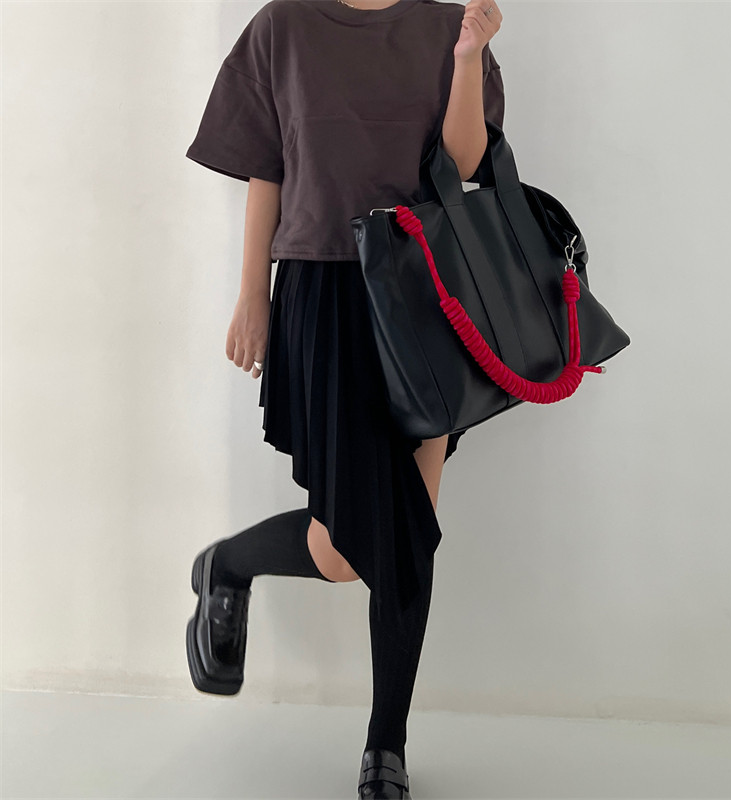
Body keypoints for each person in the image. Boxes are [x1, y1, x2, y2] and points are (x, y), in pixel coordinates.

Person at [183, 0, 504, 796]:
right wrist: (251, 294)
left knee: (406, 538)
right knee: (341, 553)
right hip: (323, 294)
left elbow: (465, 164)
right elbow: (267, 169)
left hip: (427, 296)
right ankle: (226, 565)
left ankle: (385, 746)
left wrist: (469, 57)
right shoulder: (283, 26)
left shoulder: (446, 28)